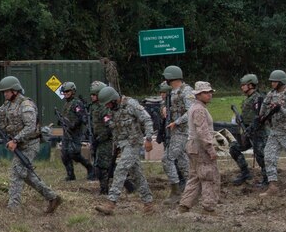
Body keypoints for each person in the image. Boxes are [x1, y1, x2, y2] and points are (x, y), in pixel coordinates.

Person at [0, 77, 62, 213]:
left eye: (7, 91)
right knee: (26, 175)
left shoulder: (26, 105)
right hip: (17, 143)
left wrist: (15, 140)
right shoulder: (7, 105)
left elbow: (30, 127)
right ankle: (52, 197)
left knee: (16, 171)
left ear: (15, 91)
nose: (5, 94)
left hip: (30, 144)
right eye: (4, 92)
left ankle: (13, 207)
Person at [93, 86, 155, 215]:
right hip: (122, 144)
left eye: (109, 103)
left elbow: (147, 119)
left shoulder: (131, 104)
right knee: (137, 175)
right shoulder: (112, 110)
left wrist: (148, 139)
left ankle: (111, 202)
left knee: (120, 169)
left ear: (115, 99)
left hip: (133, 143)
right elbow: (114, 127)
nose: (108, 107)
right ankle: (148, 204)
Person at [178, 82, 220, 214]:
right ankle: (208, 207)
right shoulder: (199, 109)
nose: (209, 95)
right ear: (198, 95)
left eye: (210, 92)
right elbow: (202, 131)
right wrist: (210, 148)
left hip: (193, 145)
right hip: (200, 146)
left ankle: (185, 205)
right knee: (208, 175)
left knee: (195, 176)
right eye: (206, 93)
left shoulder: (195, 107)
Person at [162, 65, 194, 200]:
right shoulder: (173, 92)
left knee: (167, 159)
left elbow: (191, 111)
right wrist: (163, 108)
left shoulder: (186, 91)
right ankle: (191, 189)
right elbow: (169, 105)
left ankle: (175, 191)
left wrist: (177, 122)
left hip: (182, 131)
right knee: (182, 160)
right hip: (175, 131)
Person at [230, 74, 267, 187]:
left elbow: (259, 117)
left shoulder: (258, 98)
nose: (242, 87)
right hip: (247, 132)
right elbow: (248, 115)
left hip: (258, 133)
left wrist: (251, 128)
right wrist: (239, 118)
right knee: (234, 148)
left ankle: (268, 179)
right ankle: (245, 172)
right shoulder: (248, 99)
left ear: (250, 85)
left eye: (244, 85)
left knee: (261, 157)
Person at [56, 82, 94, 181]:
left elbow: (82, 117)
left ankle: (89, 167)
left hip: (75, 133)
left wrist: (73, 124)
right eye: (64, 92)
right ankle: (70, 175)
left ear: (72, 91)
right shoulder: (66, 104)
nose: (65, 93)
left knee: (74, 153)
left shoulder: (77, 103)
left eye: (67, 91)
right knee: (65, 154)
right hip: (66, 133)